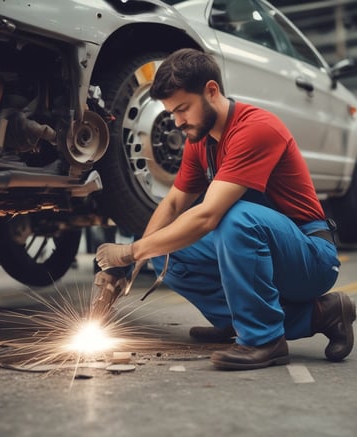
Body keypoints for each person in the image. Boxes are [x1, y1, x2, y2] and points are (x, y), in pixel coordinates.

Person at [94, 48, 356, 370]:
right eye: (172, 113)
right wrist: (128, 267)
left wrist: (130, 251)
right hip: (263, 245)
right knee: (164, 252)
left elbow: (207, 216)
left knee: (235, 217)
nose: (177, 122)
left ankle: (264, 339)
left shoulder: (255, 128)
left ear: (211, 91)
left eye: (183, 109)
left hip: (311, 258)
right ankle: (289, 317)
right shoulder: (199, 142)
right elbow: (175, 203)